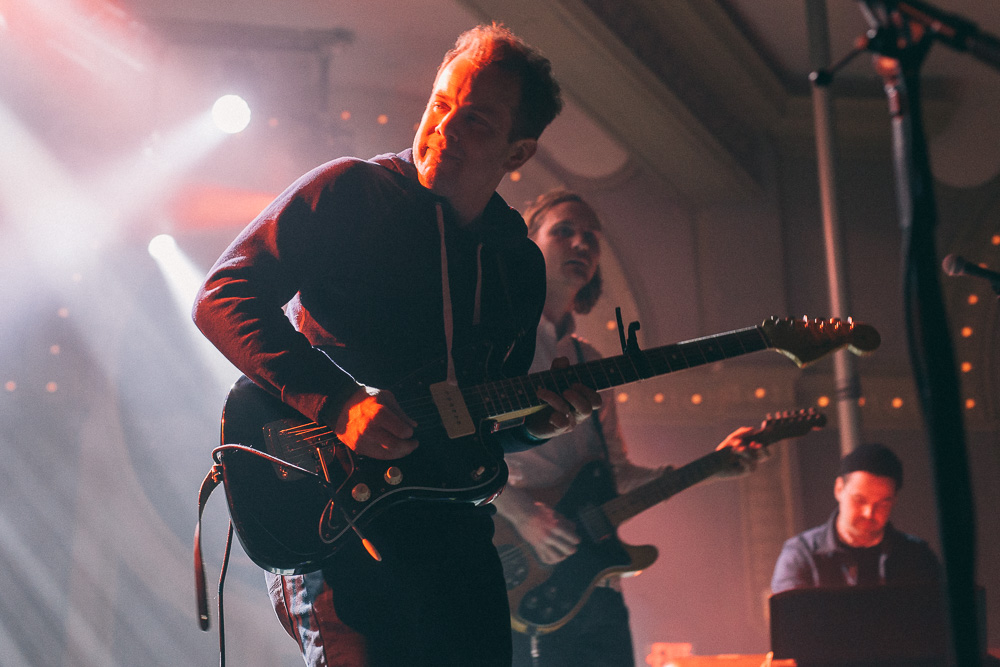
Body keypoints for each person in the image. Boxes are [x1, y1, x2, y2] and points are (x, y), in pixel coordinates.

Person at [192, 25, 603, 667]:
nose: (444, 129)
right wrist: (338, 404)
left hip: (453, 527)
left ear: (518, 152)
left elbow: (476, 418)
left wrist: (537, 424)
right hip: (334, 511)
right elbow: (222, 295)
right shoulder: (348, 192)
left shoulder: (517, 265)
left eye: (477, 122)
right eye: (441, 105)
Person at [492, 190, 766, 667]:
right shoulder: (495, 342)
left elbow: (612, 471)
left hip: (594, 584)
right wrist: (520, 514)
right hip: (513, 571)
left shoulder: (590, 361)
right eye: (564, 231)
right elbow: (454, 454)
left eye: (592, 238)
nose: (582, 243)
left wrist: (711, 467)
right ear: (529, 241)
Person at [771, 443, 941, 593]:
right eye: (859, 500)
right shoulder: (802, 554)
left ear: (894, 500)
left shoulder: (918, 557)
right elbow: (792, 623)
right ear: (839, 489)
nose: (869, 513)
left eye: (882, 504)